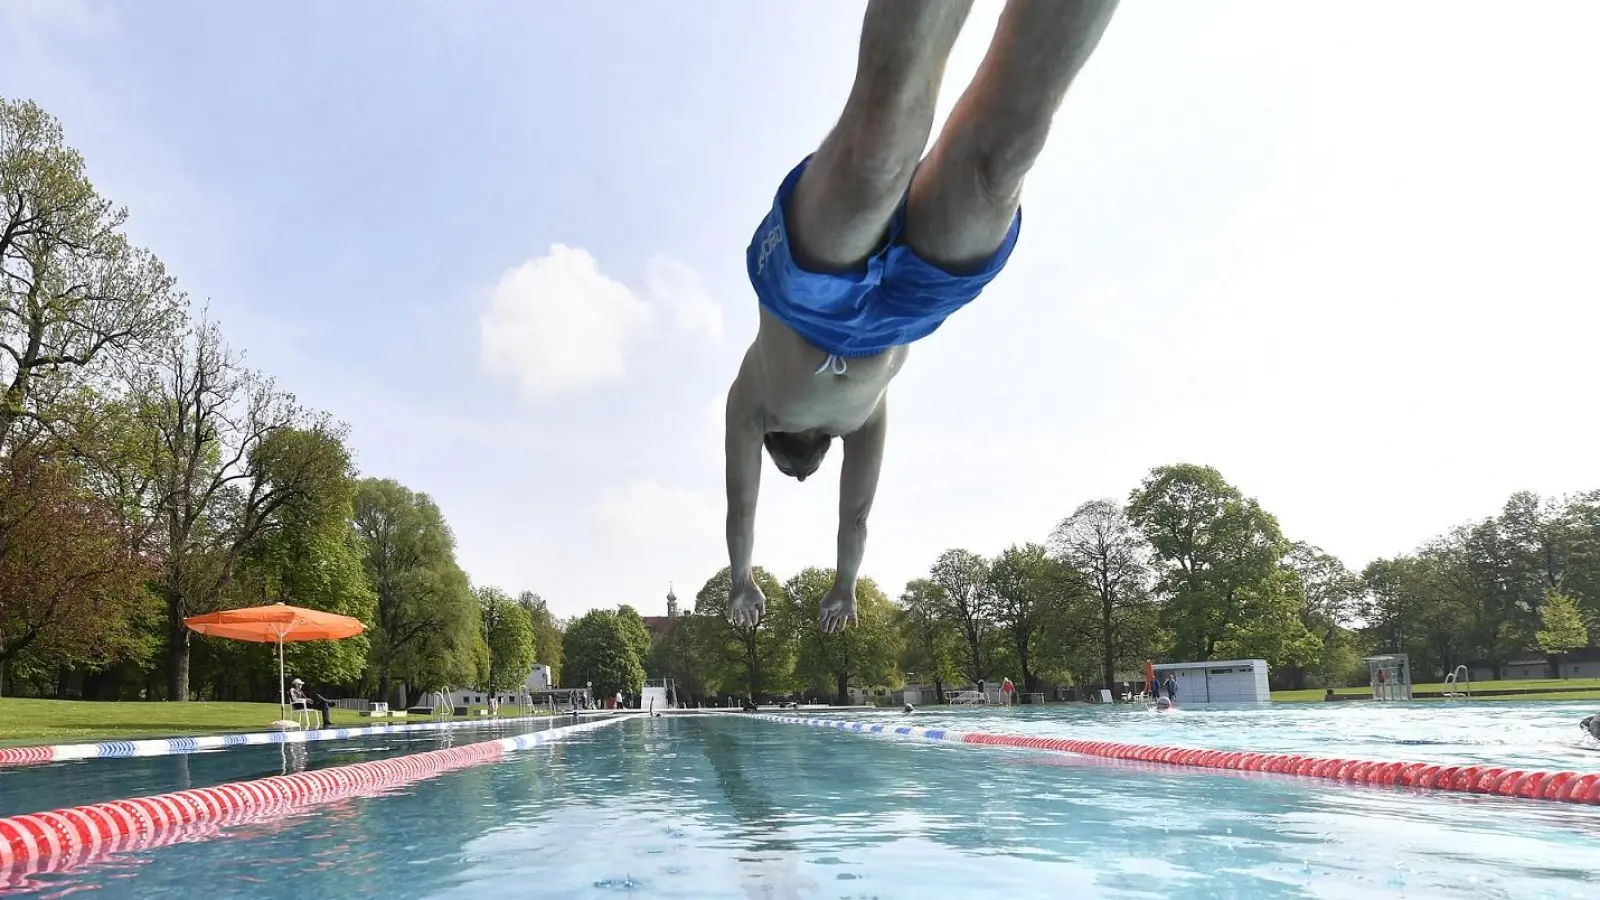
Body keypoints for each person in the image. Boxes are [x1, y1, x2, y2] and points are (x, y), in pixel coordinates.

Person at [723, 0, 1122, 633]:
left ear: (788, 448)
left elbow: (742, 501)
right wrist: (844, 587)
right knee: (1005, 155)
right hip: (906, 312)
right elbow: (856, 516)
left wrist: (743, 577)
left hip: (804, 290)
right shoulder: (867, 419)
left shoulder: (752, 399)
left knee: (878, 145)